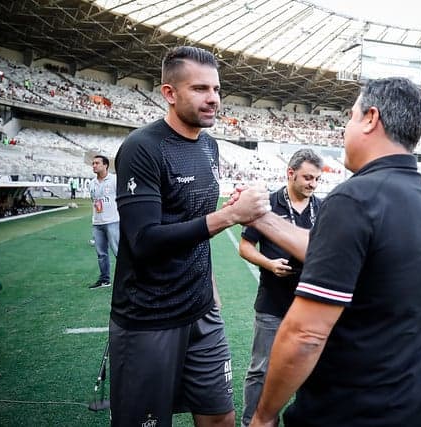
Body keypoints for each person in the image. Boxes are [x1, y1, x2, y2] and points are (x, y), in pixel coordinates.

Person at [242, 77, 421, 427]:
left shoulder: (354, 198)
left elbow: (306, 334)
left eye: (350, 116)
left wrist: (263, 414)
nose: (344, 129)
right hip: (411, 406)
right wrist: (261, 217)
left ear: (370, 118)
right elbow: (327, 251)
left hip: (351, 411)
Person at [110, 46, 269, 427]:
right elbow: (144, 240)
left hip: (202, 311)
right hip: (150, 317)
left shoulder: (209, 145)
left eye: (216, 89)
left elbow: (193, 218)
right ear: (169, 93)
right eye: (200, 89)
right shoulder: (142, 148)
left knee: (220, 419)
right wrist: (231, 215)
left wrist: (208, 281)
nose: (213, 98)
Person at [239, 148, 323, 427]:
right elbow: (245, 246)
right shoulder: (268, 204)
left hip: (309, 305)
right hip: (272, 304)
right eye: (307, 177)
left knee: (308, 368)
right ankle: (251, 421)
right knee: (260, 369)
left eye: (316, 179)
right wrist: (268, 263)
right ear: (290, 173)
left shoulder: (322, 208)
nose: (312, 184)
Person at [89, 155, 119, 289]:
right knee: (101, 254)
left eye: (97, 163)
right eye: (93, 163)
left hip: (113, 221)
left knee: (118, 251)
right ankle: (104, 280)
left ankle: (130, 278)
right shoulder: (91, 183)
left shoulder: (114, 180)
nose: (94, 165)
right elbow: (94, 200)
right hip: (97, 222)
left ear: (105, 165)